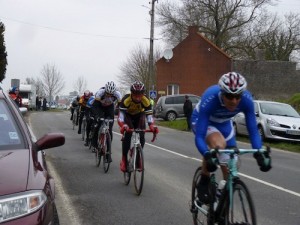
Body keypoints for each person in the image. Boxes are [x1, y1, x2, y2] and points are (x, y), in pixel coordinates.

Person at [193, 72, 272, 204]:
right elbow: (200, 136)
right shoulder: (210, 98)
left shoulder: (247, 100)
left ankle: (221, 202)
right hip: (204, 121)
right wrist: (207, 155)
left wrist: (259, 152)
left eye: (237, 96)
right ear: (222, 93)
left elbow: (253, 130)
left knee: (231, 163)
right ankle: (204, 180)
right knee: (219, 145)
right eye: (229, 96)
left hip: (225, 123)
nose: (234, 101)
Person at [117, 81, 159, 172]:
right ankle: (124, 159)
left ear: (143, 94)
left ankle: (137, 157)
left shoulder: (146, 100)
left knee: (142, 136)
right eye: (135, 94)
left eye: (140, 94)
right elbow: (121, 117)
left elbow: (149, 116)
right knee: (127, 136)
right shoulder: (126, 100)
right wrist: (123, 125)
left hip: (139, 116)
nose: (138, 96)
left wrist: (152, 126)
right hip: (127, 116)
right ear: (132, 93)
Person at [90, 81, 122, 153]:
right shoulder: (100, 93)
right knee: (97, 125)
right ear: (105, 91)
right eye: (107, 94)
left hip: (109, 107)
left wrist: (120, 116)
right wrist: (96, 116)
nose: (109, 96)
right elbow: (95, 106)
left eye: (111, 94)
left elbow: (121, 107)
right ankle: (94, 145)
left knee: (109, 129)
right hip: (99, 107)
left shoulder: (118, 94)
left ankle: (108, 150)